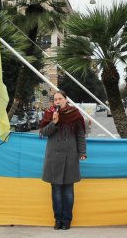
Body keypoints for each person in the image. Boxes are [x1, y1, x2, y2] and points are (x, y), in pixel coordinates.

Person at [39, 90, 87, 230]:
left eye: (60, 99)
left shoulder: (75, 114)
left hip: (70, 156)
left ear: (66, 100)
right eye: (55, 99)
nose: (57, 101)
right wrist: (54, 122)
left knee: (67, 191)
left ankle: (67, 220)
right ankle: (58, 219)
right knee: (56, 191)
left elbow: (80, 135)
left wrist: (82, 152)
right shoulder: (49, 113)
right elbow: (43, 133)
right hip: (53, 157)